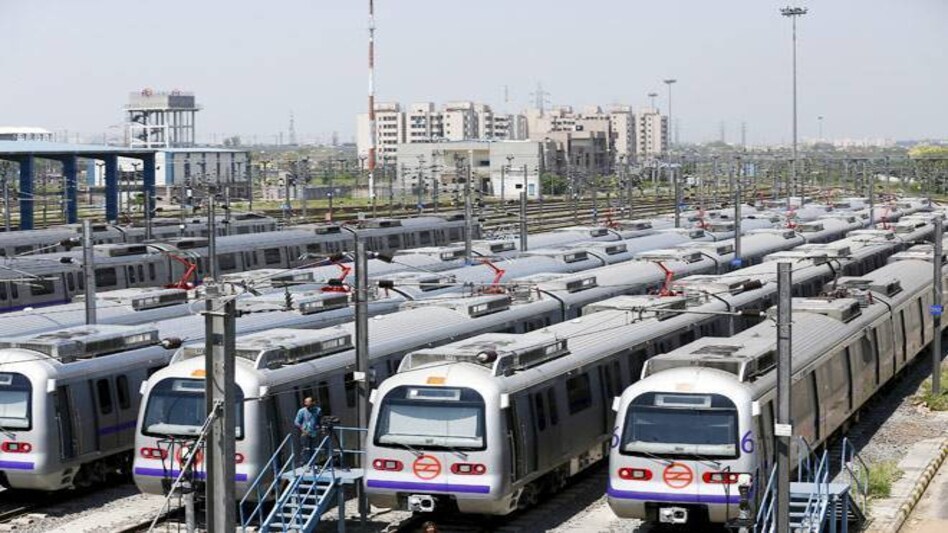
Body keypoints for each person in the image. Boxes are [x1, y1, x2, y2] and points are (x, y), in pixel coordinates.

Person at [294, 397, 322, 462]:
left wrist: (320, 427)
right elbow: (296, 422)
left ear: (313, 403)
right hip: (305, 432)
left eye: (308, 403)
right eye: (306, 403)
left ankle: (313, 463)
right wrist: (302, 429)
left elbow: (320, 420)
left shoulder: (317, 410)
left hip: (314, 432)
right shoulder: (301, 411)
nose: (307, 405)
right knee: (305, 448)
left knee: (313, 448)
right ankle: (304, 463)